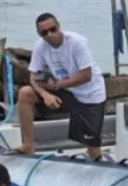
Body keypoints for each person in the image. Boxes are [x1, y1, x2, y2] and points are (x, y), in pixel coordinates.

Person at [14, 13, 107, 161]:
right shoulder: (41, 46)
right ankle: (28, 145)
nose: (50, 35)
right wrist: (45, 94)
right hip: (64, 90)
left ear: (59, 27)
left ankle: (98, 161)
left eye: (53, 29)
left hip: (90, 94)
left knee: (92, 145)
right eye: (44, 32)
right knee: (25, 93)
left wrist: (57, 85)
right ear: (39, 34)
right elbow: (32, 77)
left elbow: (86, 75)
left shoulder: (77, 42)